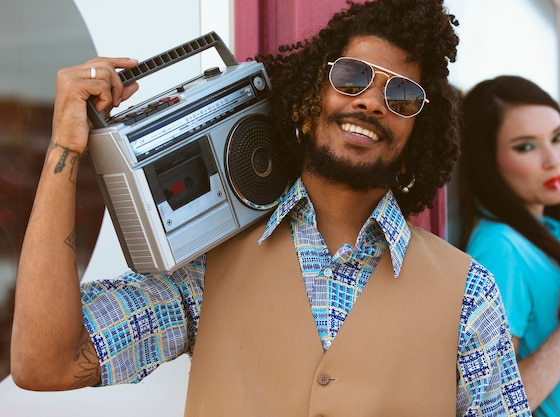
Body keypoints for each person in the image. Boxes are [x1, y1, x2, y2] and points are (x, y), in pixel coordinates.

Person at [11, 0, 531, 415]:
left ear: (419, 134)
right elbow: (47, 363)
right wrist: (65, 150)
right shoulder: (207, 268)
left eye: (402, 96)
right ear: (311, 96)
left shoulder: (469, 295)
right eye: (351, 76)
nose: (372, 102)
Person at [455, 75, 560, 416]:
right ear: (489, 160)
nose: (553, 160)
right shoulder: (500, 247)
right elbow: (489, 405)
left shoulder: (555, 236)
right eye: (526, 146)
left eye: (558, 137)